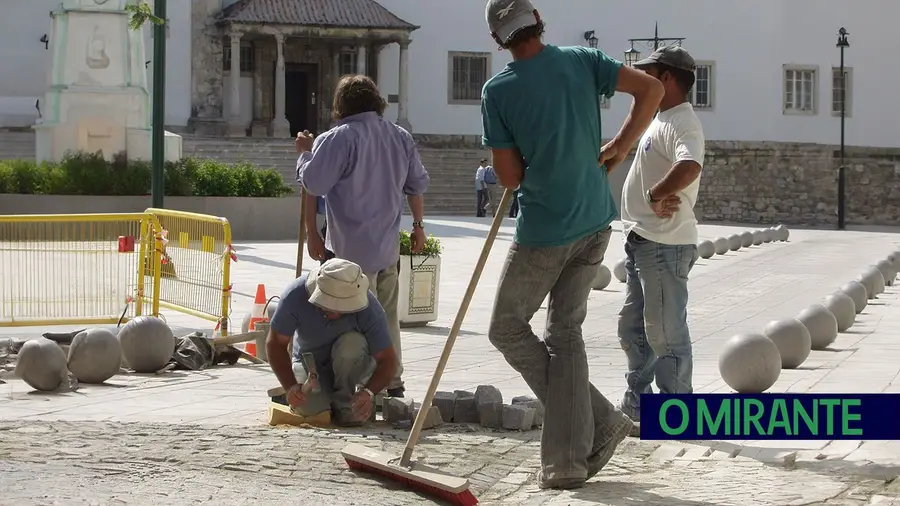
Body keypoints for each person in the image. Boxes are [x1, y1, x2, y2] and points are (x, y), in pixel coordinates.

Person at [481, 0, 665, 490]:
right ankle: (576, 451)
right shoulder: (583, 61)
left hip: (545, 231)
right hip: (595, 219)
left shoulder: (498, 90)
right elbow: (651, 89)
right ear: (537, 21)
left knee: (506, 328)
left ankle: (594, 430)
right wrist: (622, 145)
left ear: (500, 41)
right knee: (565, 334)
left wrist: (523, 149)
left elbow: (509, 175)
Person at [296, 74, 430, 398]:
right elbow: (417, 186)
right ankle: (392, 381)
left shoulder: (339, 138)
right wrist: (418, 226)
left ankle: (354, 387)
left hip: (350, 254)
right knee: (387, 319)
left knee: (350, 326)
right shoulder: (400, 137)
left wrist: (303, 153)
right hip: (386, 250)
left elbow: (312, 183)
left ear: (341, 105)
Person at [617, 45, 705, 435]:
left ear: (666, 78)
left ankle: (677, 415)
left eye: (648, 72)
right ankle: (640, 404)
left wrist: (654, 194)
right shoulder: (661, 118)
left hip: (664, 244)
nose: (641, 80)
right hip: (643, 239)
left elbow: (690, 164)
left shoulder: (682, 122)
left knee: (665, 332)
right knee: (633, 328)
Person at [265, 258, 398, 427]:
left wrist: (368, 393)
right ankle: (326, 400)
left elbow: (388, 359)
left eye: (342, 308)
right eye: (328, 306)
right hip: (311, 363)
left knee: (352, 345)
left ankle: (345, 402)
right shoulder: (295, 295)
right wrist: (289, 386)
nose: (335, 312)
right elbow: (275, 343)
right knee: (311, 410)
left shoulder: (370, 307)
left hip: (350, 366)